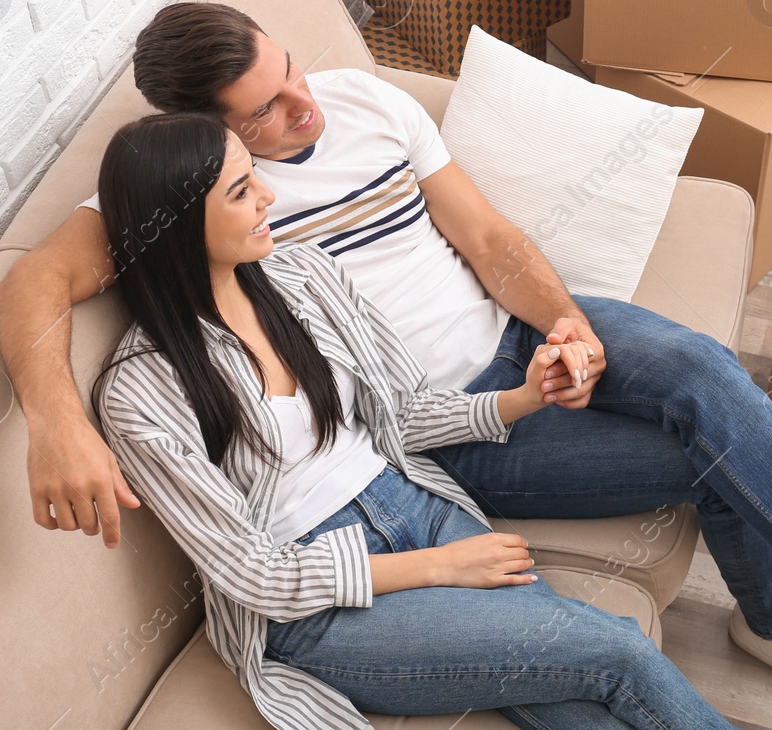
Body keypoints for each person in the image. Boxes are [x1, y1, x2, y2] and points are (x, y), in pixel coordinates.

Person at [0, 1, 772, 730]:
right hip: (409, 486)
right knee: (631, 592)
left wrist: (561, 332)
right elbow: (33, 285)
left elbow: (487, 250)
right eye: (266, 119)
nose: (308, 108)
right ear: (201, 150)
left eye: (293, 75)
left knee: (712, 387)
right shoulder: (173, 221)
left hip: (482, 387)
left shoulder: (335, 159)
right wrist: (55, 418)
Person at [92, 112, 737, 729]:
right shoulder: (140, 391)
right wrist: (440, 567)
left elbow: (399, 410)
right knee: (615, 652)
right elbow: (253, 574)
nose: (267, 194)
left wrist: (521, 398)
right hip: (317, 603)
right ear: (173, 224)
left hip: (416, 504)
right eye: (240, 190)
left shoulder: (302, 274)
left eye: (252, 174)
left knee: (573, 693)